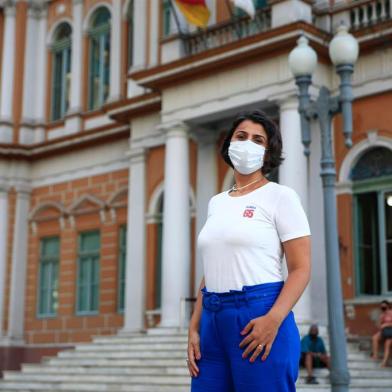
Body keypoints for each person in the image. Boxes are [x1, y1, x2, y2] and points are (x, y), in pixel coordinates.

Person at [187, 109, 312, 392]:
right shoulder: (216, 203)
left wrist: (274, 319)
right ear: (229, 144)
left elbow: (301, 268)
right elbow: (211, 270)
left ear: (268, 153)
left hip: (259, 313)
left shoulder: (281, 196)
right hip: (212, 318)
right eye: (241, 136)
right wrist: (195, 326)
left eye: (258, 140)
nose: (248, 144)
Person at [371, 300, 392, 367]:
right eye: (382, 307)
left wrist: (386, 324)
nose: (383, 308)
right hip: (385, 331)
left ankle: (384, 362)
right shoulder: (382, 314)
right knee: (374, 337)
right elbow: (379, 326)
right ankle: (375, 355)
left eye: (384, 306)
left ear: (388, 306)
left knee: (387, 344)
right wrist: (380, 319)